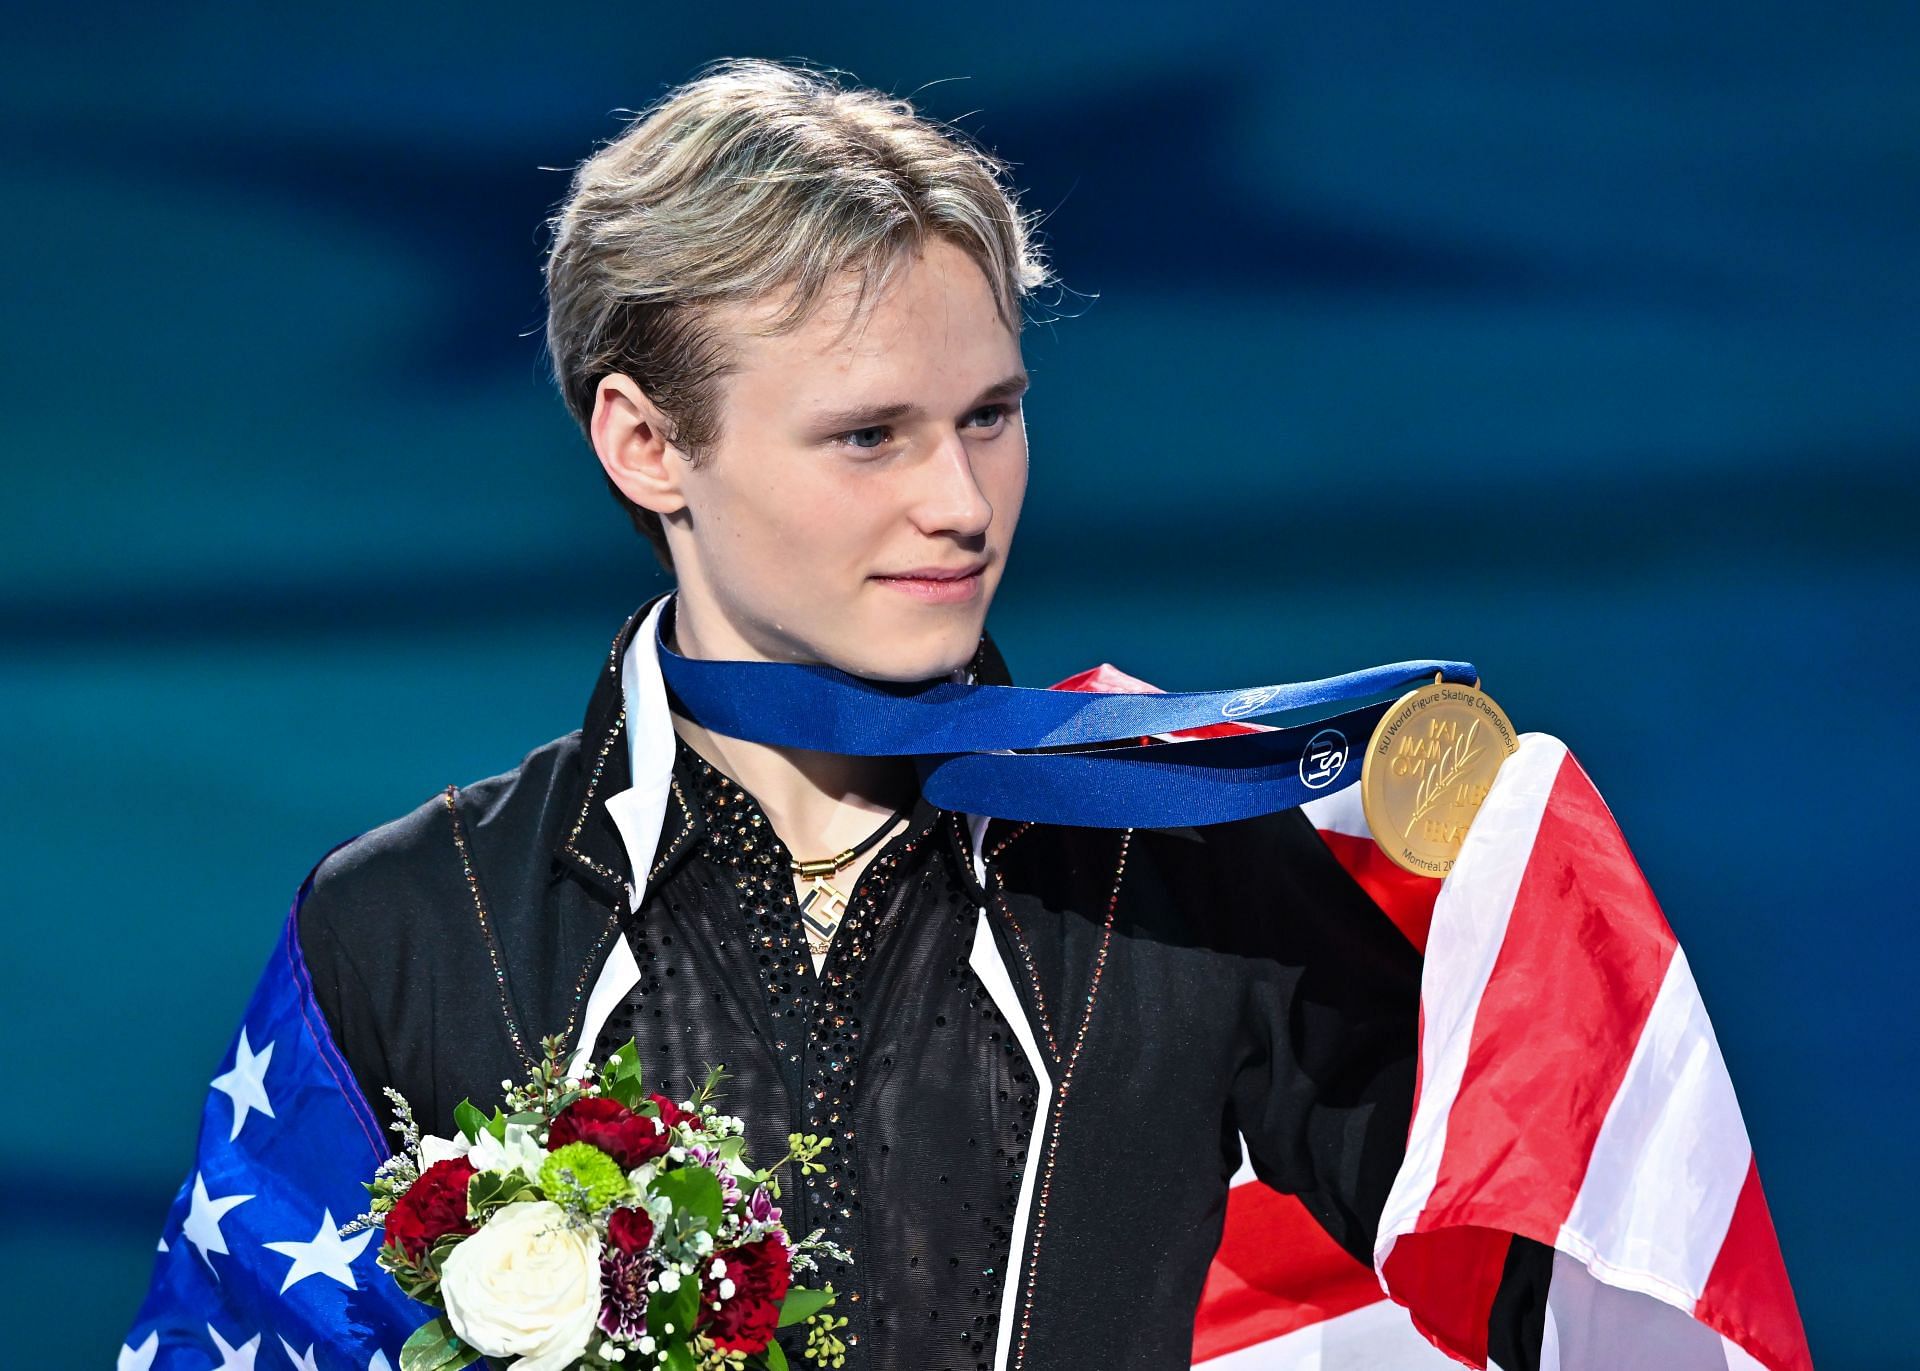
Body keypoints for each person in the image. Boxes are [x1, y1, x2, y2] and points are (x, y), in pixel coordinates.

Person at [125, 56, 1564, 1371]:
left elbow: (1573, 1287)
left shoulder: (1175, 853)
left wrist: (1548, 915)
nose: (959, 505)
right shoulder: (416, 926)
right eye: (870, 434)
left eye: (990, 416)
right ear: (646, 443)